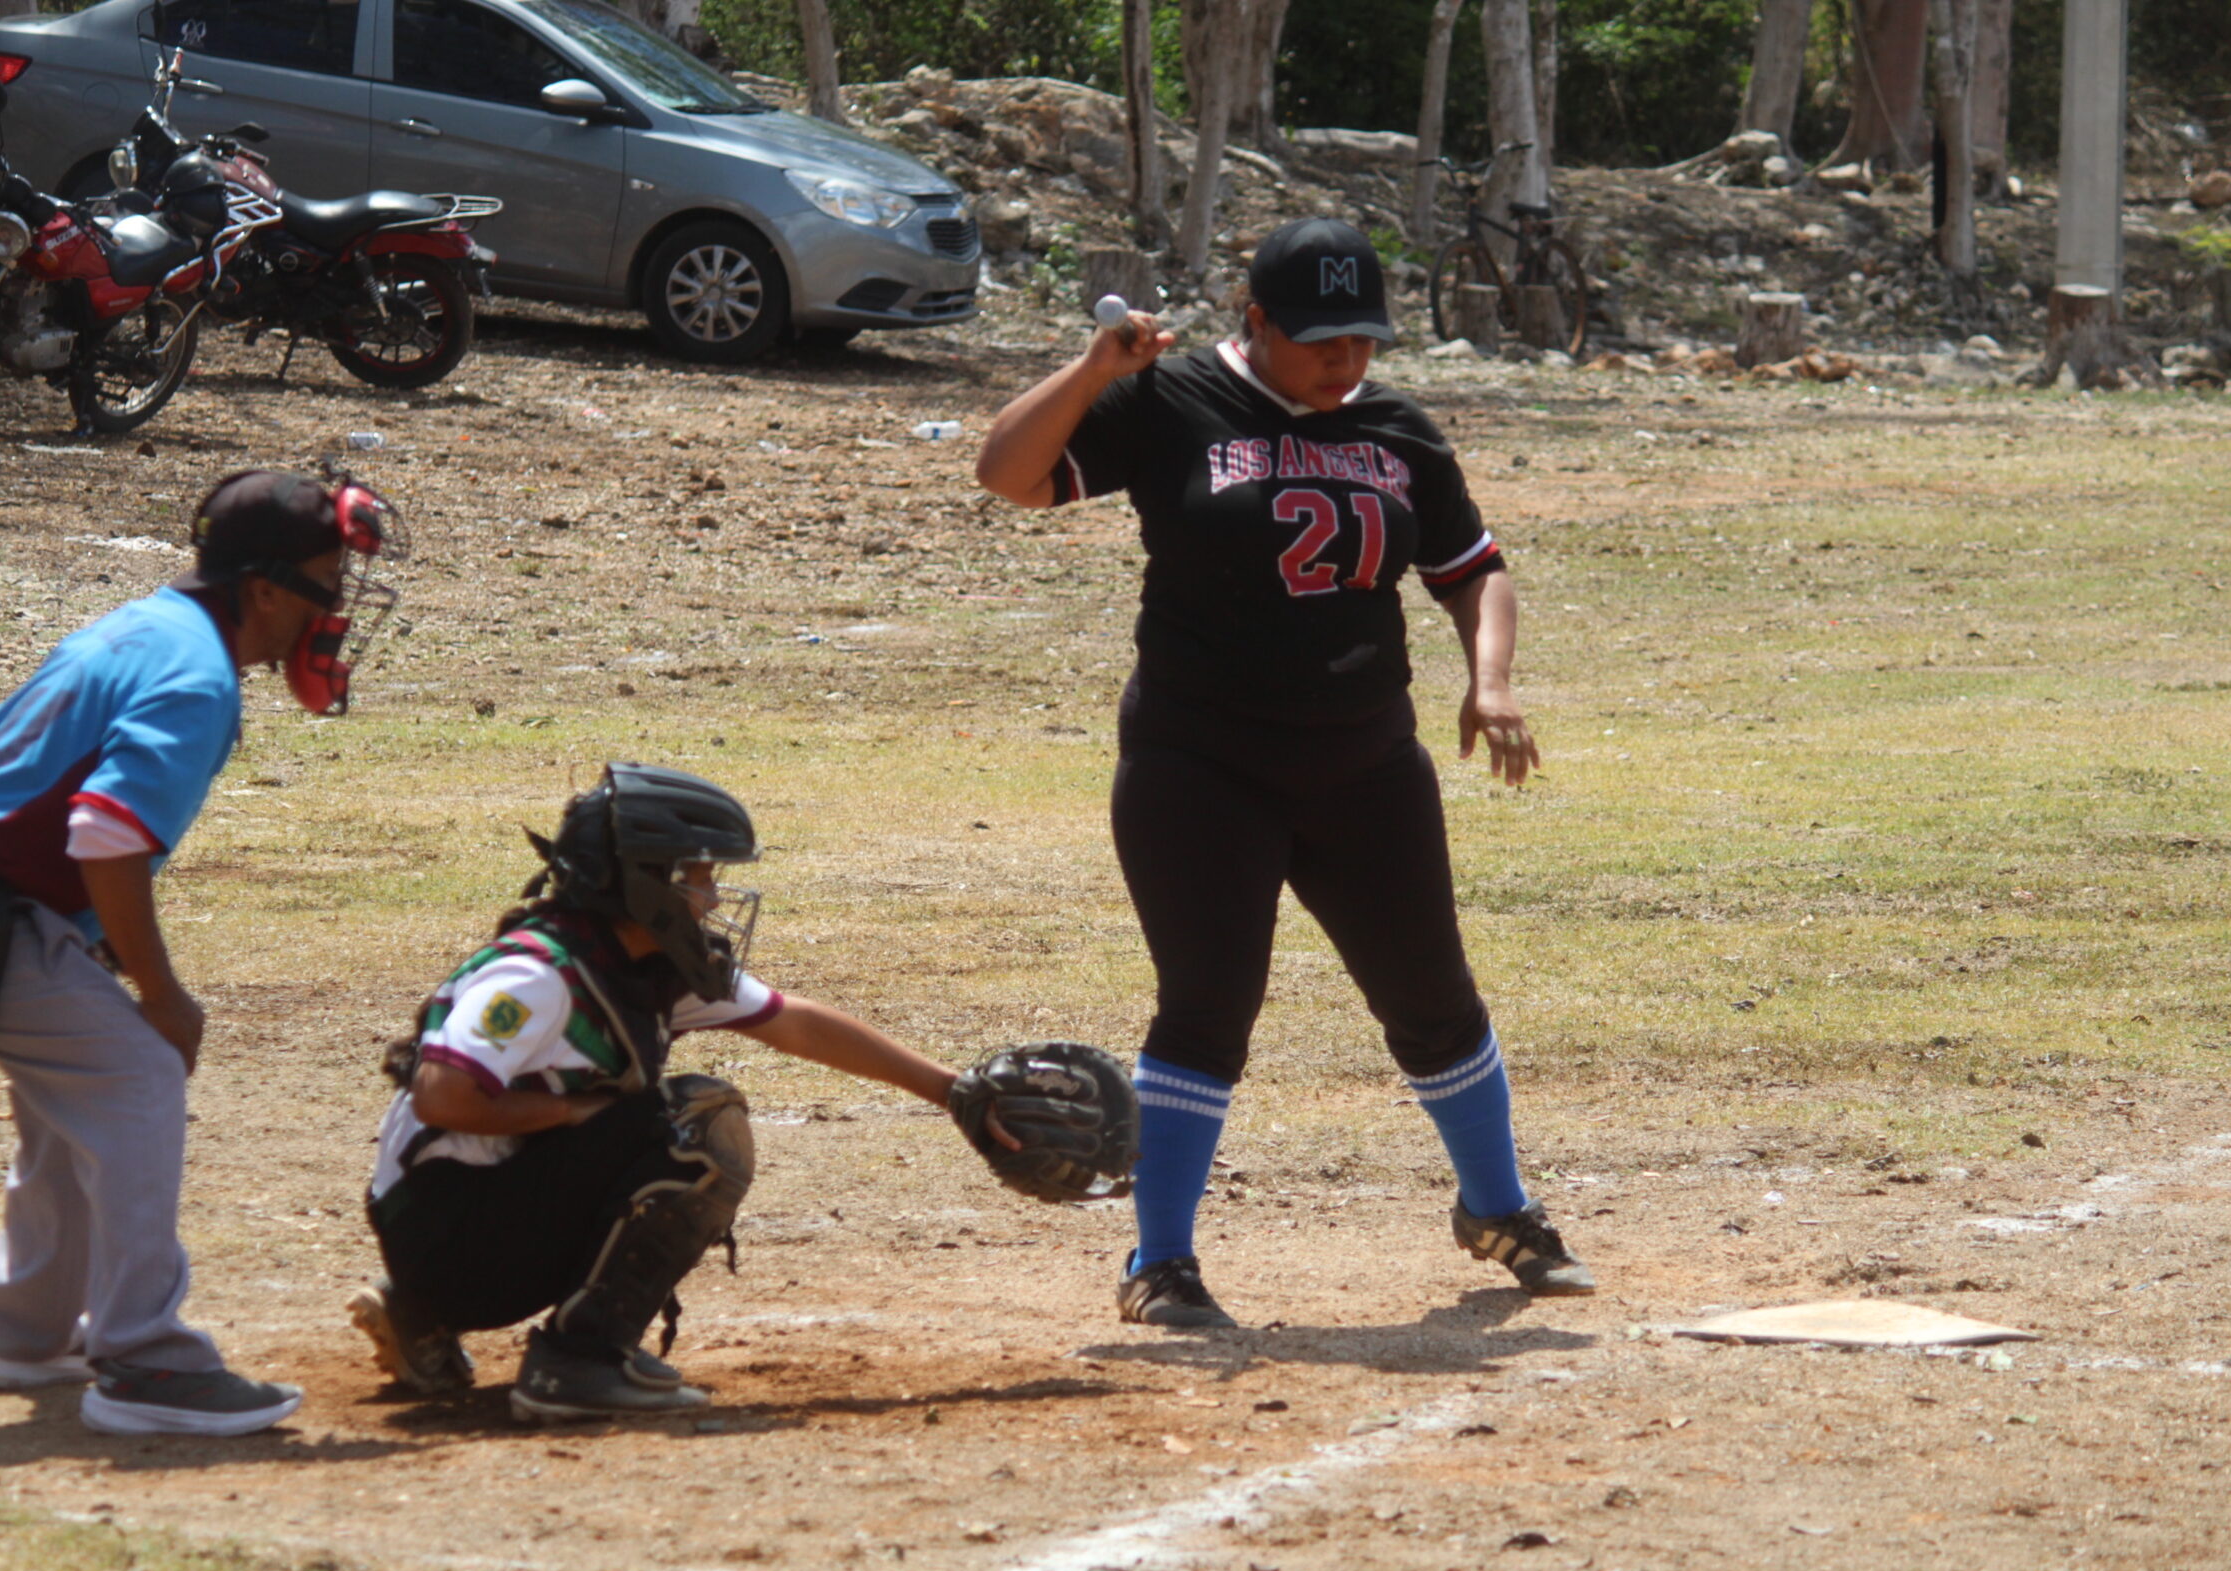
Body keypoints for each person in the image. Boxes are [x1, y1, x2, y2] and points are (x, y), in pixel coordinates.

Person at [974, 217, 1597, 1329]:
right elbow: (1008, 476)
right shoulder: (1168, 405)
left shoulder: (1397, 430)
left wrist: (1489, 680)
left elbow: (1470, 568)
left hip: (1364, 761)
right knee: (1208, 1009)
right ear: (1251, 320)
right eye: (1316, 340)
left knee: (1433, 999)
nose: (1341, 363)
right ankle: (1158, 1263)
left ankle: (1498, 1207)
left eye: (1360, 341)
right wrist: (1091, 371)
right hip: (1197, 763)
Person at [0, 468, 404, 1433]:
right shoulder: (196, 677)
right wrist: (161, 994)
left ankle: (26, 1335)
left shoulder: (151, 622)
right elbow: (105, 832)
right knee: (138, 1076)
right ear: (265, 590)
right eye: (327, 584)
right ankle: (145, 1361)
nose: (332, 611)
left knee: (73, 1106)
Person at [352, 762, 1017, 1424]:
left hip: (461, 1235)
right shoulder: (540, 977)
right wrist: (571, 1110)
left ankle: (423, 1317)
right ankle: (581, 1359)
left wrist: (953, 1091)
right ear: (646, 883)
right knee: (696, 1123)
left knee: (645, 1122)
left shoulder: (635, 967)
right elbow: (442, 1095)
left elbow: (798, 1024)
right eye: (699, 876)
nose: (715, 898)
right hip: (445, 1237)